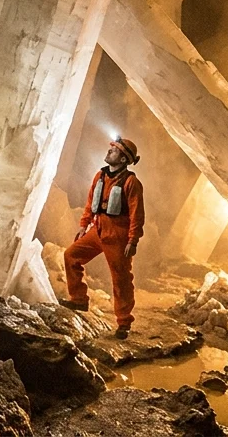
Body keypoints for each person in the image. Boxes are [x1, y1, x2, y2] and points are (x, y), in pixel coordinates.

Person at [60, 137, 145, 339]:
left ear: (124, 159)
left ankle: (124, 322)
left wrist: (132, 240)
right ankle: (79, 299)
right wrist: (84, 225)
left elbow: (136, 214)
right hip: (98, 229)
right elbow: (91, 202)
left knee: (121, 278)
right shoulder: (100, 176)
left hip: (118, 235)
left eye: (114, 151)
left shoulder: (131, 183)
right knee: (71, 255)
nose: (109, 152)